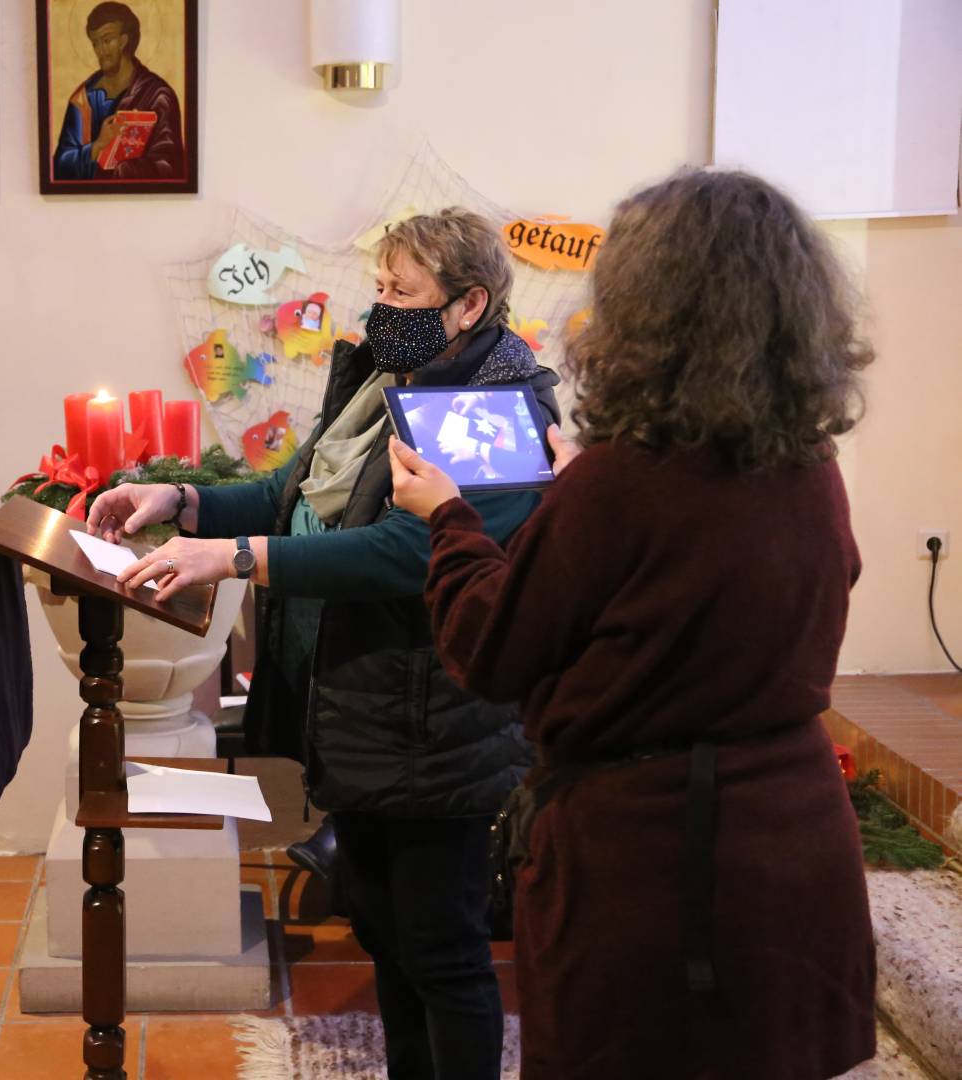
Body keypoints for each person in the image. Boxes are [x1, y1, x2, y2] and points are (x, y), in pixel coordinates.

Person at [387, 169, 876, 1079]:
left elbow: (493, 650)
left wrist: (449, 518)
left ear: (646, 306)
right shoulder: (811, 467)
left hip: (659, 867)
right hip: (798, 840)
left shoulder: (623, 478)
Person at [88, 210, 559, 1079]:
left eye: (402, 291)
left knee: (442, 946)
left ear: (470, 305)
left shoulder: (489, 405)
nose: (380, 306)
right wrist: (183, 503)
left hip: (434, 721)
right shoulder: (388, 378)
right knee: (382, 924)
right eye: (379, 286)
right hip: (363, 709)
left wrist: (234, 558)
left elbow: (414, 552)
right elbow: (295, 490)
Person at [52, 2, 185, 181]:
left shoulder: (158, 95)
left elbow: (170, 166)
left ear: (124, 41)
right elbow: (59, 167)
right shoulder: (84, 98)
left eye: (107, 41)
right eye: (95, 43)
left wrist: (122, 170)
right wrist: (97, 147)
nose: (100, 51)